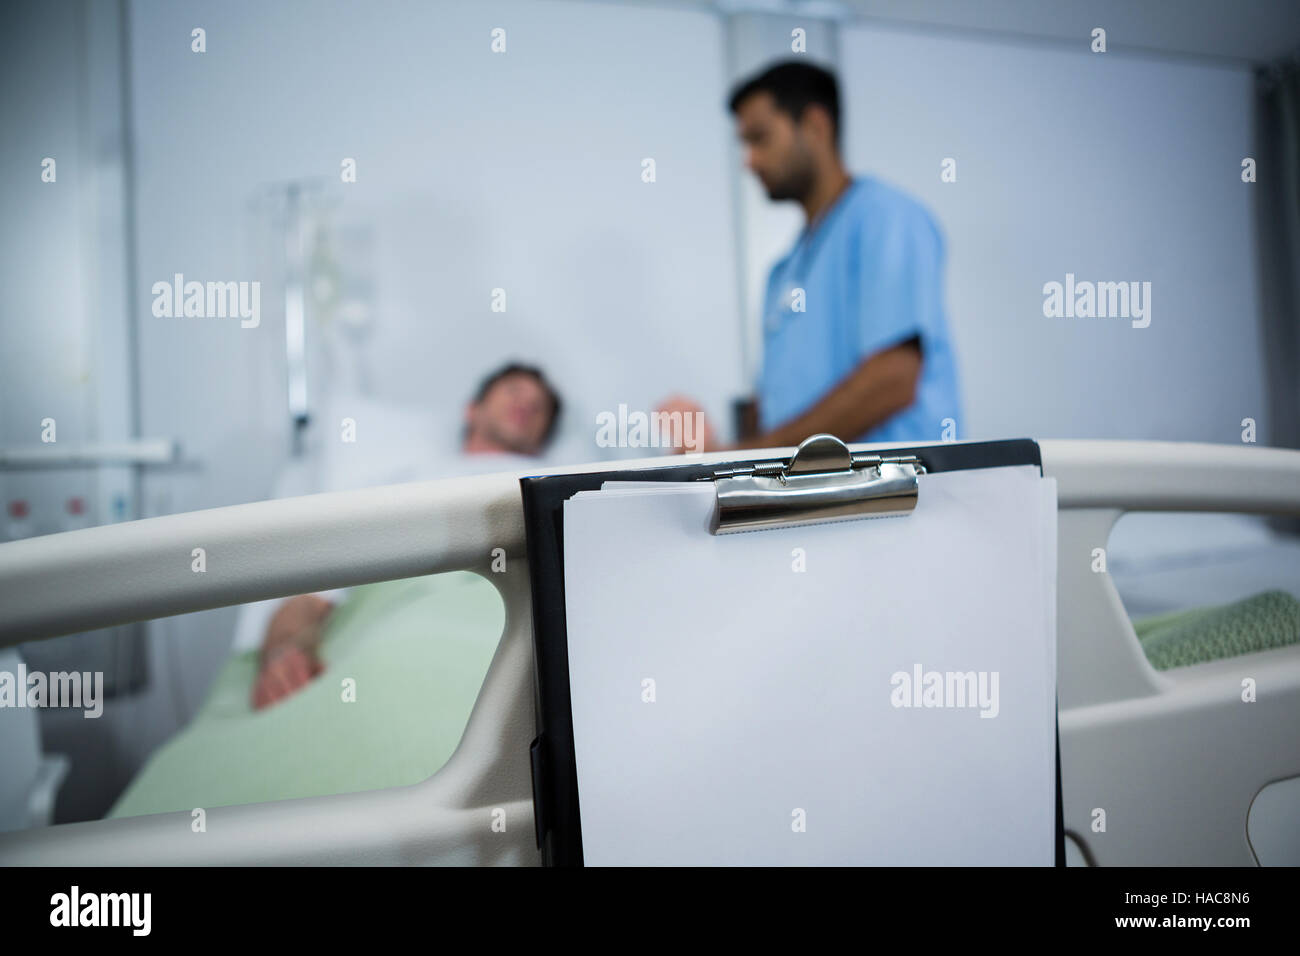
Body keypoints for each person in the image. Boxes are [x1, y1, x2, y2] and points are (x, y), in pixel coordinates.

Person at [660, 60, 960, 452]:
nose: (749, 161)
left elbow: (892, 379)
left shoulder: (886, 219)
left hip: (899, 501)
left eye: (760, 139)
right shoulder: (783, 271)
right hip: (815, 503)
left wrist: (748, 456)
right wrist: (711, 448)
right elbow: (775, 414)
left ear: (816, 126)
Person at [250, 362, 562, 710]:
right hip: (407, 626)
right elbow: (316, 592)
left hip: (523, 627)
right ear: (472, 410)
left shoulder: (553, 484)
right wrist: (284, 652)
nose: (527, 405)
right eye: (514, 391)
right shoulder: (402, 484)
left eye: (540, 408)